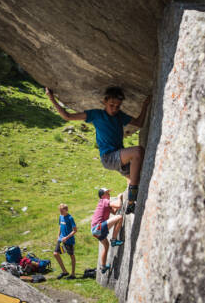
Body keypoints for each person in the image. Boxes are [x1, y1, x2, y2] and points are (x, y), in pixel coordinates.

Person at [46, 86, 151, 214]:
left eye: (118, 106)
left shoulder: (119, 116)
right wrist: (51, 99)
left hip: (119, 157)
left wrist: (145, 105)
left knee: (140, 178)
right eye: (111, 105)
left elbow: (139, 123)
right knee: (138, 152)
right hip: (109, 157)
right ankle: (131, 202)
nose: (114, 109)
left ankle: (130, 199)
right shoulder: (96, 115)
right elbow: (67, 116)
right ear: (104, 101)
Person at [91, 188, 123, 273]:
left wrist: (118, 202)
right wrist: (119, 198)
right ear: (102, 196)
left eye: (109, 193)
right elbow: (118, 206)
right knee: (120, 218)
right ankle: (114, 240)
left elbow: (114, 211)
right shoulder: (104, 201)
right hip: (98, 227)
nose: (108, 194)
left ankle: (103, 266)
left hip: (95, 230)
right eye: (106, 193)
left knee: (106, 246)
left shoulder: (105, 204)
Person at [54, 203, 77, 280]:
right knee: (55, 253)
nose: (60, 212)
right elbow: (60, 226)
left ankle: (73, 274)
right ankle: (64, 271)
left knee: (71, 256)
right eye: (59, 211)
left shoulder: (70, 218)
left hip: (69, 240)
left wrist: (66, 237)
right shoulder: (60, 216)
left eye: (61, 211)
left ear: (66, 210)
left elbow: (75, 230)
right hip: (61, 239)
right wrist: (58, 236)